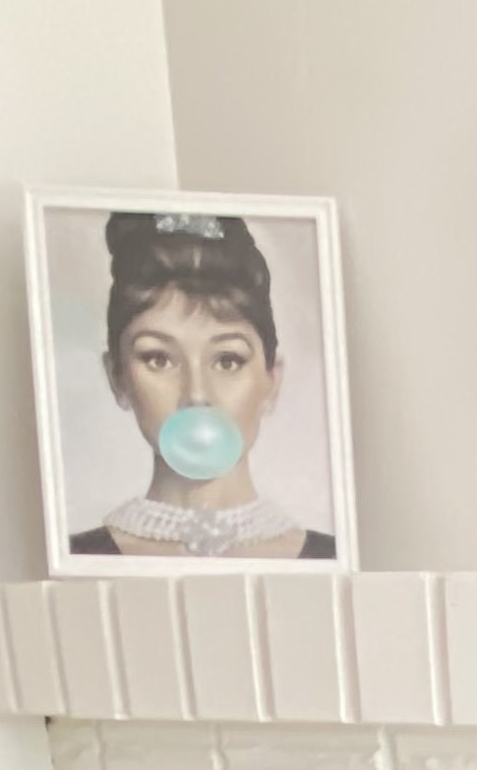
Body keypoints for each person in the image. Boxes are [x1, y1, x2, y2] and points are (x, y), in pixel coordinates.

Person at [69, 210, 335, 559]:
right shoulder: (79, 560)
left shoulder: (330, 559)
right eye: (159, 359)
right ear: (117, 378)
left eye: (227, 360)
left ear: (272, 381)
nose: (196, 394)